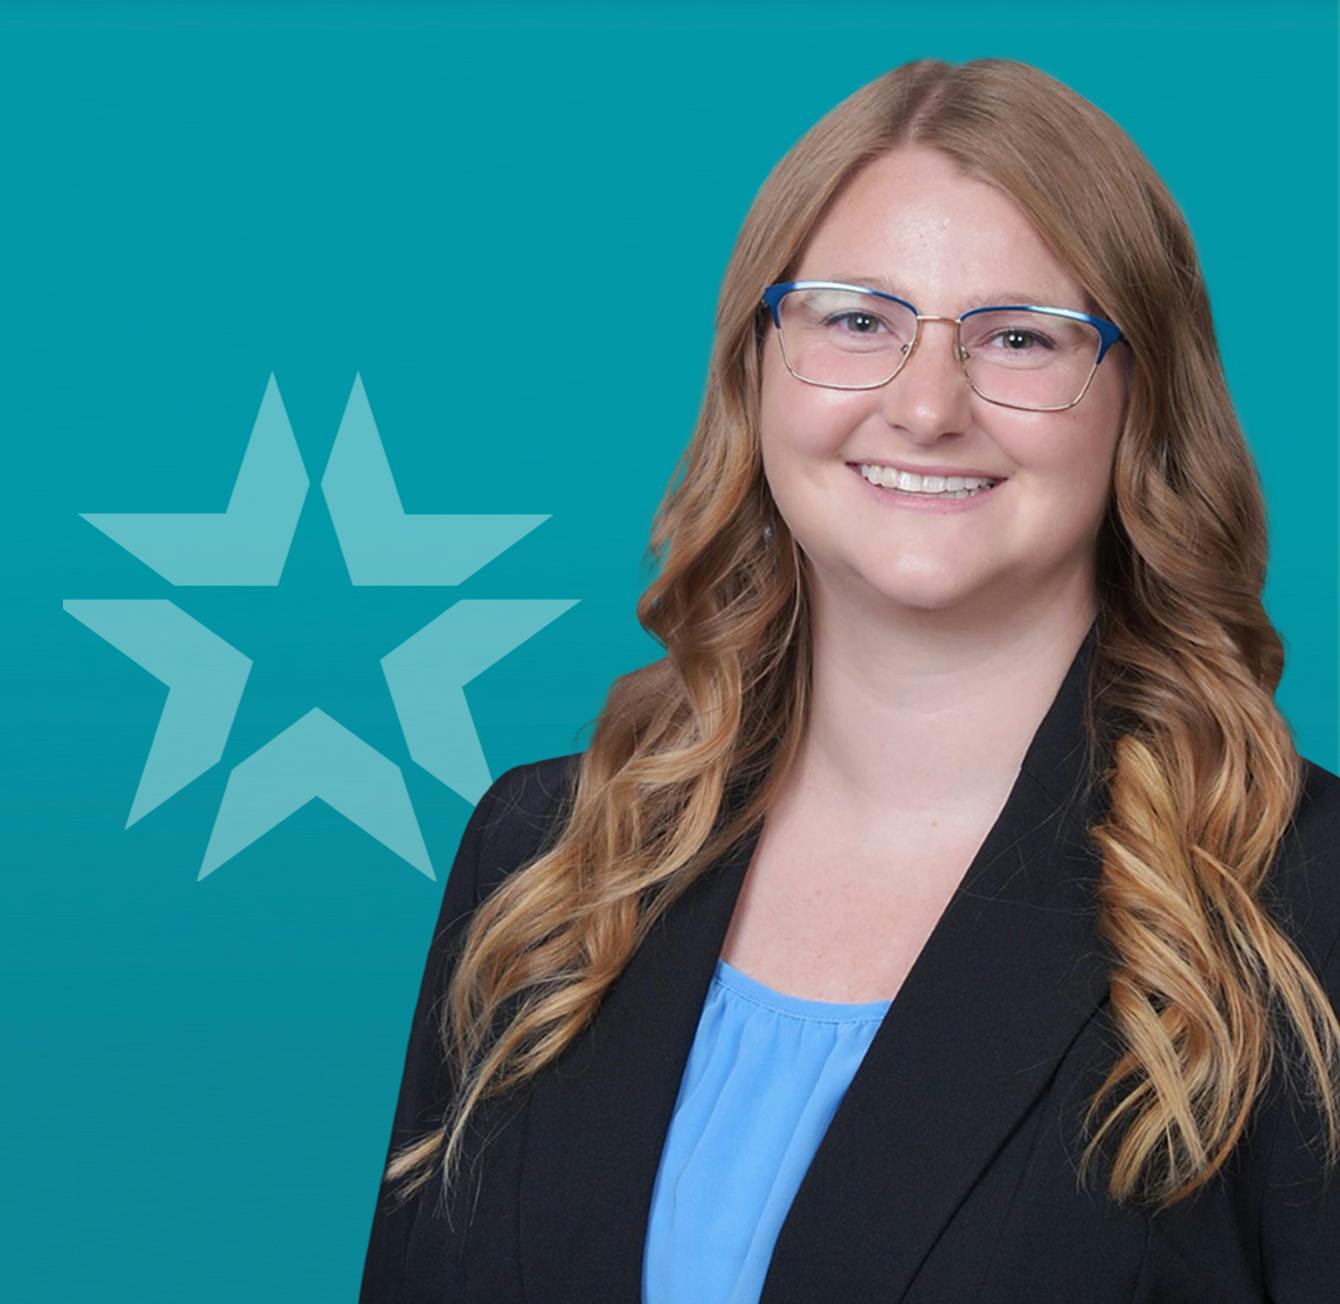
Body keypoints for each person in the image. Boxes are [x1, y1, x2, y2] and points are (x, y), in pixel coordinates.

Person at [358, 56, 1340, 1302]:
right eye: (856, 320)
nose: (925, 404)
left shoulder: (1299, 907)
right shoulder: (546, 858)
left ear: (1139, 402)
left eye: (1019, 337)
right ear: (756, 366)